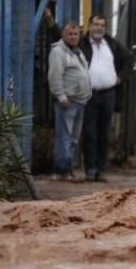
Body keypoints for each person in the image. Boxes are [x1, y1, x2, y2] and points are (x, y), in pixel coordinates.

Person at [79, 15, 132, 182]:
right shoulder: (82, 43)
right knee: (89, 132)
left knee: (104, 133)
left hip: (108, 93)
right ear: (89, 26)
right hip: (89, 94)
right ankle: (90, 169)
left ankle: (101, 169)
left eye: (102, 25)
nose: (99, 28)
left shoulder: (112, 44)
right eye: (96, 24)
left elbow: (129, 59)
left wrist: (121, 77)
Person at [48, 22, 91, 180]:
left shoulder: (77, 52)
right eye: (70, 34)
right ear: (63, 35)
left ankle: (68, 169)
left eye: (75, 34)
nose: (73, 37)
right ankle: (61, 171)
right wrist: (61, 96)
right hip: (68, 101)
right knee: (64, 137)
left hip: (80, 101)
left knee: (73, 138)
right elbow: (55, 76)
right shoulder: (58, 52)